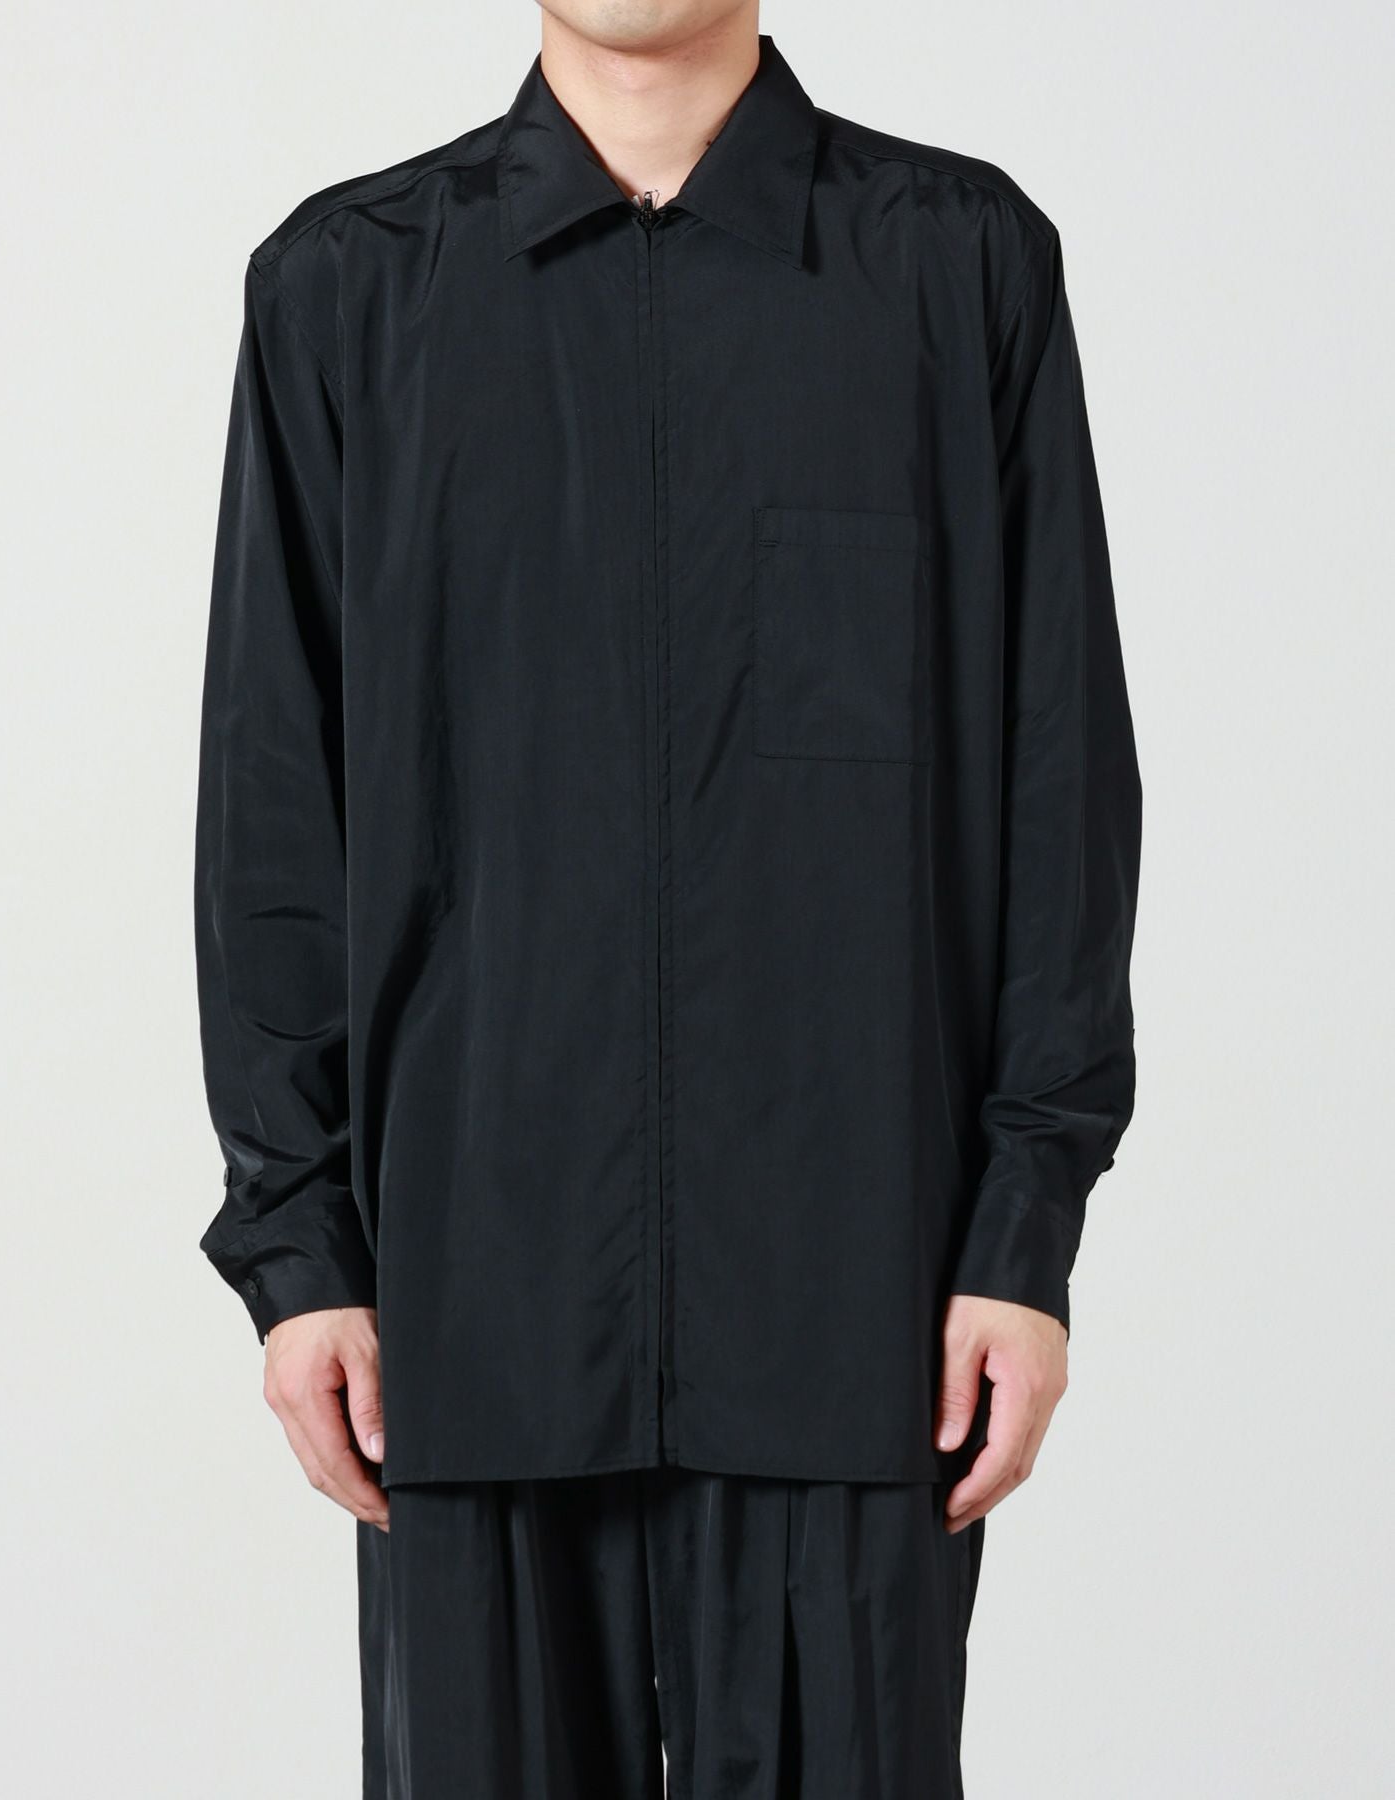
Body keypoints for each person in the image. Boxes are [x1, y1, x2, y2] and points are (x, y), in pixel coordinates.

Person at [194, 3, 1141, 1793]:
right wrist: (300, 1251)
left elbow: (1060, 774)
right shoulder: (348, 285)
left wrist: (1024, 1237)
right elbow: (271, 806)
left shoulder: (956, 266)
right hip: (468, 1310)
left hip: (861, 1307)